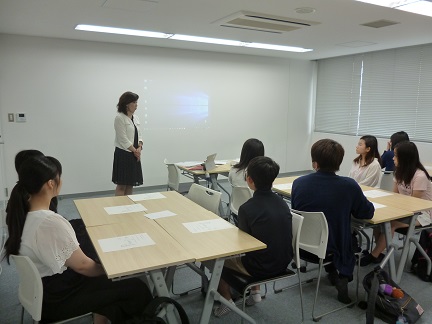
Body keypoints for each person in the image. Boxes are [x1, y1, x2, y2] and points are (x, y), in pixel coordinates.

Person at [3, 156, 152, 323]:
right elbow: (84, 267)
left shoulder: (22, 215)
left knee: (111, 285)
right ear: (51, 184)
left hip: (41, 291)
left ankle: (101, 318)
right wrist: (115, 270)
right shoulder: (49, 222)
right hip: (57, 298)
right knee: (136, 287)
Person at [292, 139, 374, 304]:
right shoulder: (349, 186)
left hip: (301, 245)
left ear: (315, 163)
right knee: (350, 239)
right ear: (339, 162)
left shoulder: (298, 183)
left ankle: (332, 271)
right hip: (333, 247)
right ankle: (343, 276)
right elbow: (367, 212)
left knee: (331, 230)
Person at [214, 156, 293, 317]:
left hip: (260, 267)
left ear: (249, 180)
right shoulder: (282, 203)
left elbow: (243, 245)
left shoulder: (246, 208)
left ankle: (227, 301)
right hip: (284, 261)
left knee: (218, 261)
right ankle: (255, 294)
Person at [361, 141, 432, 266]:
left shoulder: (420, 176)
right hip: (404, 209)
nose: (393, 158)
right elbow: (395, 196)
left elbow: (415, 204)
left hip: (422, 213)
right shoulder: (399, 172)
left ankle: (374, 255)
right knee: (378, 221)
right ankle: (381, 251)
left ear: (405, 158)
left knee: (391, 223)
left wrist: (395, 209)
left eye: (395, 155)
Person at [112, 91, 143, 196]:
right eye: (134, 102)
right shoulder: (119, 118)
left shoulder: (136, 118)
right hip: (123, 154)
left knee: (130, 184)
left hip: (134, 155)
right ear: (126, 104)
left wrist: (140, 147)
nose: (136, 105)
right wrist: (135, 151)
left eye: (136, 102)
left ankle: (129, 208)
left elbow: (140, 135)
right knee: (122, 185)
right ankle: (119, 208)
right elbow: (123, 139)